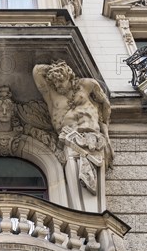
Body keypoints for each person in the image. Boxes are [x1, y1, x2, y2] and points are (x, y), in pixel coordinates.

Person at [33, 60, 112, 195]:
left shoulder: (87, 84)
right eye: (55, 83)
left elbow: (105, 103)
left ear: (68, 77)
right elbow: (37, 71)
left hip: (92, 137)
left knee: (91, 187)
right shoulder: (51, 93)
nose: (58, 85)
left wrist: (104, 125)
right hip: (68, 138)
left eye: (60, 81)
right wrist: (55, 69)